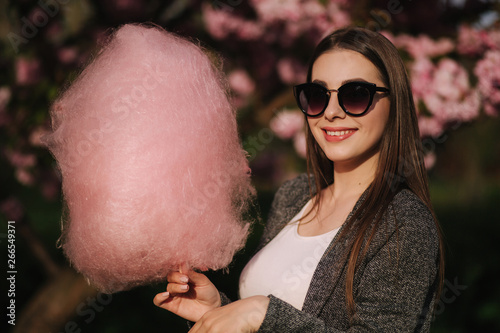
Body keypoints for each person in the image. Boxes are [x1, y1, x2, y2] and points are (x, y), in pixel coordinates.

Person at [153, 26, 445, 332]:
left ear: (394, 104)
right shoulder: (294, 195)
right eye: (317, 96)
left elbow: (270, 318)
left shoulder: (404, 222)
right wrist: (220, 310)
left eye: (356, 95)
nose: (330, 113)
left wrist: (261, 313)